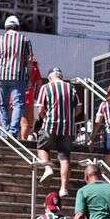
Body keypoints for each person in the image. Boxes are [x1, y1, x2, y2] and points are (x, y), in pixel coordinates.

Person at [33, 67, 80, 197]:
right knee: (64, 157)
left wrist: (45, 117)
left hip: (50, 125)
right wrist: (70, 117)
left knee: (42, 147)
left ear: (49, 77)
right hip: (68, 128)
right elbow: (79, 108)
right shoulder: (71, 88)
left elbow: (41, 109)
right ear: (61, 76)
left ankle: (48, 168)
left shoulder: (46, 87)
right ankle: (63, 188)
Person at [0, 15, 32, 137]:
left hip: (2, 76)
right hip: (19, 76)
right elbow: (29, 62)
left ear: (6, 27)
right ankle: (13, 131)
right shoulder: (25, 40)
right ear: (17, 27)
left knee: (3, 104)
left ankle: (5, 132)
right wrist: (30, 77)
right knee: (18, 104)